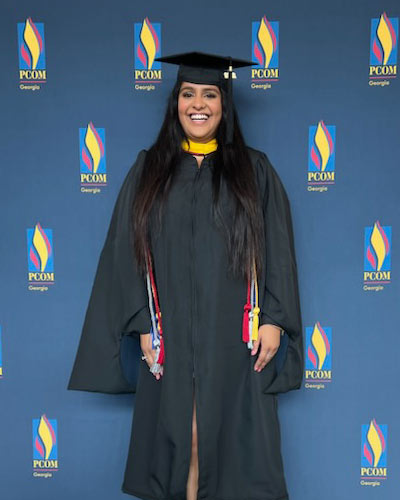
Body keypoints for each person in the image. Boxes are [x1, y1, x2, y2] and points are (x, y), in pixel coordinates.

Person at [68, 52, 304, 500]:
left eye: (210, 94)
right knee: (182, 440)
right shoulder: (150, 169)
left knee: (231, 449)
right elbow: (124, 251)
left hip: (237, 335)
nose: (199, 104)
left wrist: (273, 318)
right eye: (188, 94)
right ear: (175, 103)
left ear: (224, 103)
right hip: (169, 333)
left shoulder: (254, 171)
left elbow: (279, 250)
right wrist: (142, 323)